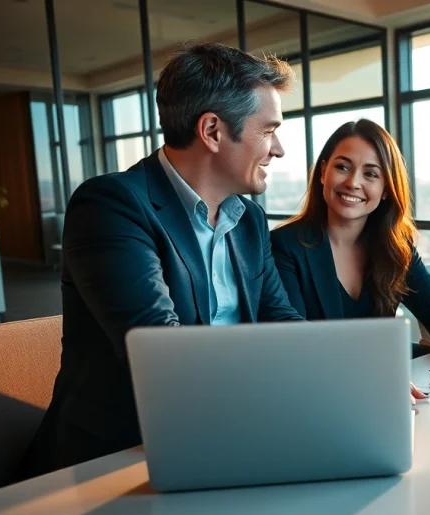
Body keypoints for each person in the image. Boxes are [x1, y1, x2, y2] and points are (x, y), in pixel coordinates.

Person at [21, 43, 303, 478]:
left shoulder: (248, 219)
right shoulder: (111, 205)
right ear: (212, 131)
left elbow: (278, 316)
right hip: (122, 457)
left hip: (229, 432)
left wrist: (342, 377)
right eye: (268, 131)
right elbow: (162, 351)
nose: (279, 149)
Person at [270, 119, 430, 399]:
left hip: (389, 381)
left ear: (387, 189)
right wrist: (370, 375)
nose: (353, 182)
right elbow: (292, 334)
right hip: (318, 387)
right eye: (342, 167)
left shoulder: (395, 246)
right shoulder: (285, 244)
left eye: (371, 174)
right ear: (323, 174)